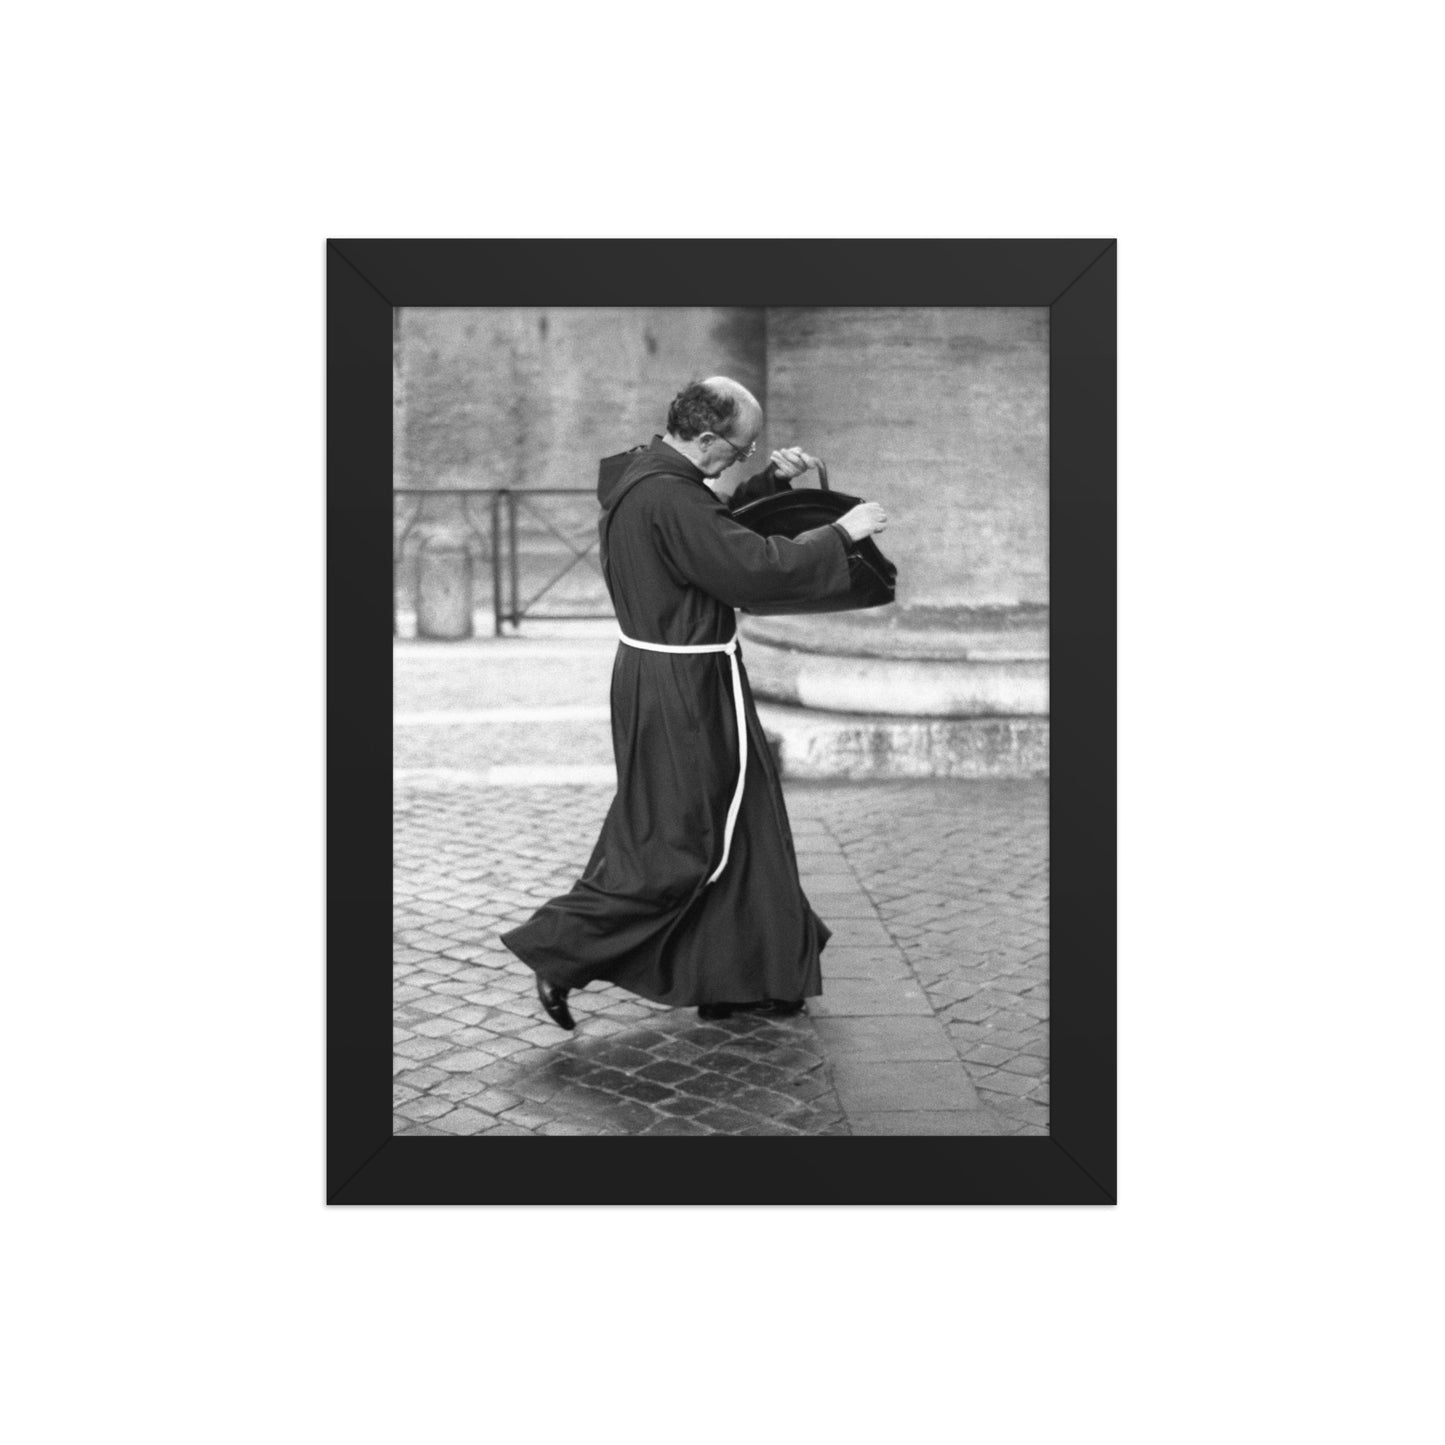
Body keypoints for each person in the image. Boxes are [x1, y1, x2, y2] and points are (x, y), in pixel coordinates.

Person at [498, 376, 889, 1029]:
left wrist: (768, 484)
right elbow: (749, 567)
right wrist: (840, 534)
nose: (740, 458)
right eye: (739, 449)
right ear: (705, 436)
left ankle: (746, 975)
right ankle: (561, 950)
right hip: (684, 685)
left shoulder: (651, 477)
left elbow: (710, 536)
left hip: (676, 674)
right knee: (677, 840)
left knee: (746, 826)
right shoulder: (669, 495)